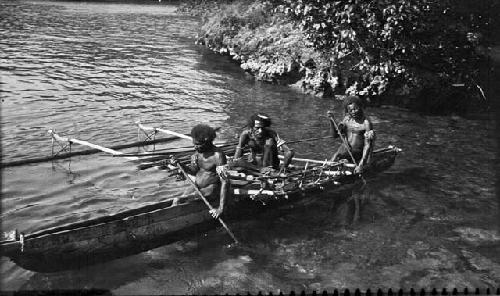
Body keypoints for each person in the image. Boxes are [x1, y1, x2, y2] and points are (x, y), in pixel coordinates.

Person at [170, 124, 228, 219]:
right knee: (180, 198)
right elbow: (193, 170)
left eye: (198, 145)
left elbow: (225, 181)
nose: (195, 147)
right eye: (194, 144)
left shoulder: (218, 156)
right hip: (197, 187)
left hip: (211, 189)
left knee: (179, 200)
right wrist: (180, 165)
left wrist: (221, 208)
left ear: (207, 142)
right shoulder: (197, 155)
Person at [327, 96, 375, 174]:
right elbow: (334, 136)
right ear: (347, 111)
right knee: (333, 160)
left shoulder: (366, 123)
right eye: (351, 110)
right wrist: (331, 121)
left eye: (355, 109)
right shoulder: (347, 120)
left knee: (359, 167)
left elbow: (367, 145)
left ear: (360, 107)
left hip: (358, 154)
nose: (353, 112)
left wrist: (361, 164)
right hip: (346, 151)